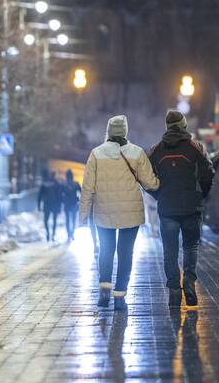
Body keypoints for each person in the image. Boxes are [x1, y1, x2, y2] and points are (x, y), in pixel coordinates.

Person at [79, 114, 159, 311]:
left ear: (108, 131)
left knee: (105, 251)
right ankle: (120, 296)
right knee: (126, 253)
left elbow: (87, 187)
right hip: (130, 212)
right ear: (125, 131)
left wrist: (82, 215)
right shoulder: (137, 153)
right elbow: (150, 183)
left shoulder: (96, 154)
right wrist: (158, 184)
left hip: (103, 211)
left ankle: (104, 290)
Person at [149, 110, 214, 307]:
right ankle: (189, 282)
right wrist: (201, 194)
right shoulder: (196, 148)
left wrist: (159, 195)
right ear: (184, 125)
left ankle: (174, 291)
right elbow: (208, 173)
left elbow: (147, 179)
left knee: (170, 251)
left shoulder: (156, 150)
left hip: (167, 207)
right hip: (191, 207)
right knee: (190, 246)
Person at [37, 171, 63, 242]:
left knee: (46, 220)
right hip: (54, 205)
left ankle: (48, 233)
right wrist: (59, 207)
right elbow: (60, 196)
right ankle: (53, 235)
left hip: (47, 205)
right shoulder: (57, 184)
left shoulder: (44, 184)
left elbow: (39, 195)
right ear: (54, 176)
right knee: (54, 220)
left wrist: (39, 206)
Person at [61, 170, 81, 242]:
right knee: (73, 219)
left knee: (67, 219)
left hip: (66, 204)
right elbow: (81, 192)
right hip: (74, 203)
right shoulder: (76, 183)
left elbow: (60, 194)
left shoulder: (64, 184)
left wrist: (62, 201)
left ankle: (68, 234)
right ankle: (72, 233)